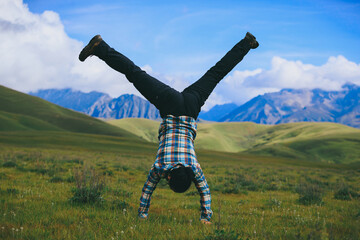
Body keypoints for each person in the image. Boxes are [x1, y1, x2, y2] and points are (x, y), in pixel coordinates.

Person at [79, 32, 259, 224]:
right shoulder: (160, 167)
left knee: (216, 73)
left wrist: (206, 216)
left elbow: (205, 191)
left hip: (191, 105)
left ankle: (247, 43)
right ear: (170, 178)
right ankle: (100, 47)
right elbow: (147, 190)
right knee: (134, 73)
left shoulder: (193, 167)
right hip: (169, 106)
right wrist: (142, 215)